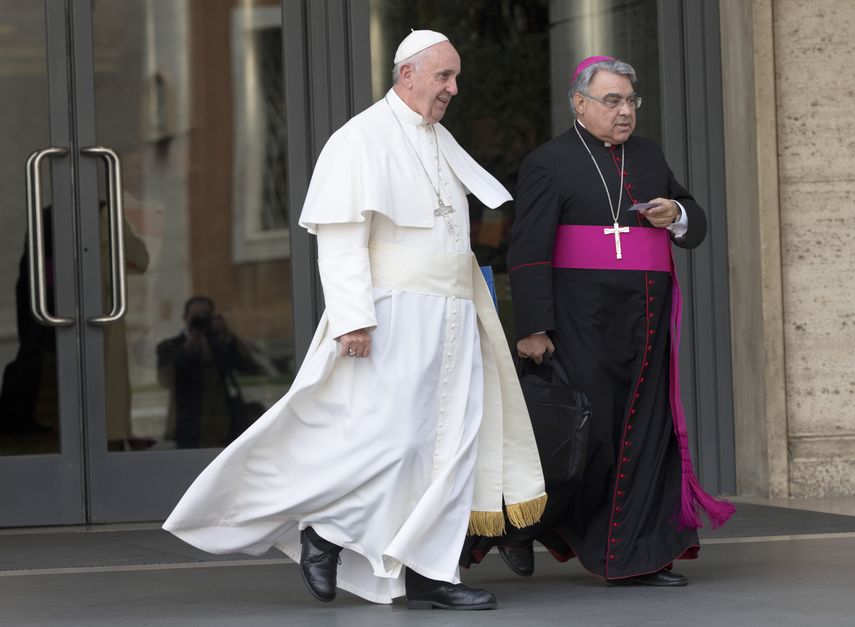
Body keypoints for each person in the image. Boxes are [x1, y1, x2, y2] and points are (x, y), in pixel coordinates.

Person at [163, 30, 545, 610]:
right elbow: (340, 241)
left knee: (449, 445)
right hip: (392, 314)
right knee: (387, 441)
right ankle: (324, 531)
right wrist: (352, 320)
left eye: (455, 77)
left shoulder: (438, 137)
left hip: (452, 314)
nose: (453, 88)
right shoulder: (359, 139)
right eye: (444, 77)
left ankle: (429, 573)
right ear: (407, 73)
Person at [498, 56, 734, 586]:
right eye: (612, 101)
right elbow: (529, 249)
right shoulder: (549, 161)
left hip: (644, 319)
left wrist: (676, 214)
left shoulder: (647, 154)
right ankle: (526, 524)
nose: (625, 111)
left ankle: (635, 555)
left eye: (631, 100)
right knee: (592, 437)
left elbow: (691, 222)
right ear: (579, 103)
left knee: (646, 436)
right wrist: (533, 326)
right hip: (581, 321)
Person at [157, 296, 260, 449]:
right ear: (185, 318)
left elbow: (248, 367)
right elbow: (166, 379)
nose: (200, 322)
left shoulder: (219, 344)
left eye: (204, 317)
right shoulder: (170, 346)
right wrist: (188, 346)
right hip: (185, 423)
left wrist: (228, 335)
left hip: (221, 423)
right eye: (195, 318)